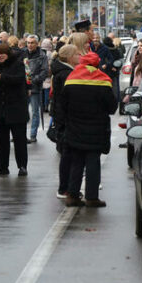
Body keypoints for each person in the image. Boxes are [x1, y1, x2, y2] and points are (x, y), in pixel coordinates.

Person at [59, 51, 117, 207]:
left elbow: (62, 105)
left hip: (74, 128)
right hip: (96, 129)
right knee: (93, 163)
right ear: (96, 64)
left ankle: (72, 195)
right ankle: (92, 197)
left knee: (76, 162)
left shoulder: (71, 79)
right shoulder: (103, 80)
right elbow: (112, 107)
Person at [0, 43, 29, 177]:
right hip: (0, 110)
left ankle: (22, 166)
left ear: (8, 53)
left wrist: (2, 78)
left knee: (19, 140)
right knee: (1, 141)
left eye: (2, 53)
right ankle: (2, 166)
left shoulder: (18, 64)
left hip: (16, 109)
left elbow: (19, 80)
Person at [51, 44, 80, 198]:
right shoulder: (66, 73)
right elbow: (66, 99)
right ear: (69, 57)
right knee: (67, 155)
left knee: (67, 154)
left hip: (62, 117)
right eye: (76, 54)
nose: (79, 57)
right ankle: (64, 187)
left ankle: (66, 186)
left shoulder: (62, 71)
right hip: (66, 119)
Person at [24, 35, 49, 144]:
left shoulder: (42, 55)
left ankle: (33, 135)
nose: (30, 45)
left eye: (32, 42)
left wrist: (32, 80)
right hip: (23, 87)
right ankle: (21, 135)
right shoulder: (23, 53)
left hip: (35, 87)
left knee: (35, 112)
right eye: (28, 42)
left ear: (37, 43)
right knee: (23, 112)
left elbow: (44, 72)